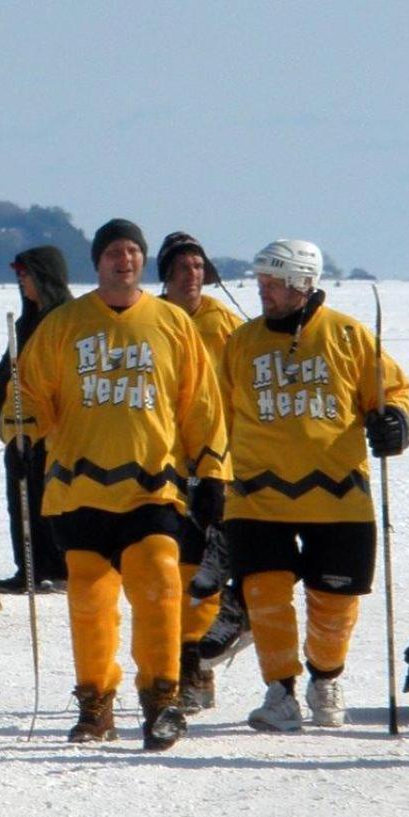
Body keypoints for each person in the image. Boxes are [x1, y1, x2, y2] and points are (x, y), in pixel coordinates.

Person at [16, 219, 229, 751]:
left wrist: (214, 472)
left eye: (133, 251)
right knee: (89, 597)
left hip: (152, 487)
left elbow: (201, 404)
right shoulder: (64, 324)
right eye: (114, 251)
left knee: (159, 579)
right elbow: (31, 394)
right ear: (98, 261)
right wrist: (19, 428)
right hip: (79, 488)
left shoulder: (171, 324)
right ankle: (96, 703)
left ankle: (161, 700)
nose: (125, 260)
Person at [217, 239, 409, 733]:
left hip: (338, 494)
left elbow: (389, 390)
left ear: (304, 283)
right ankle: (280, 691)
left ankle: (325, 677)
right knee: (264, 594)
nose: (265, 291)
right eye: (261, 282)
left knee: (334, 603)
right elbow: (214, 410)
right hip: (257, 493)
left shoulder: (348, 336)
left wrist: (395, 422)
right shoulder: (241, 343)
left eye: (275, 283)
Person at [156, 231, 244, 714]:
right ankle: (178, 666)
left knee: (205, 569)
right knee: (172, 571)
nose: (192, 275)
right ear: (166, 275)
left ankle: (196, 665)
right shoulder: (153, 321)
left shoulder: (224, 324)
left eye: (198, 267)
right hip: (164, 461)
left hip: (218, 461)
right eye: (182, 267)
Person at [0, 246, 73, 594]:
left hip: (56, 430)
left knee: (53, 500)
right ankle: (30, 568)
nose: (21, 282)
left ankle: (60, 567)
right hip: (20, 429)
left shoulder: (67, 319)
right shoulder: (25, 321)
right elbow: (12, 367)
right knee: (21, 499)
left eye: (25, 275)